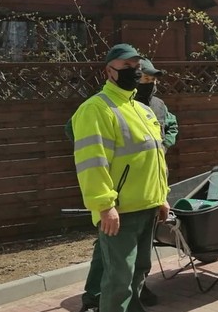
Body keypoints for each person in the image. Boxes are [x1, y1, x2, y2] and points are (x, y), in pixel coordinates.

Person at [71, 44, 170, 312]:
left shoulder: (142, 110)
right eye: (126, 65)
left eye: (136, 65)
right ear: (109, 71)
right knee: (119, 280)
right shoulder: (96, 109)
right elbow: (92, 163)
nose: (133, 70)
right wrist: (105, 206)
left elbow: (155, 158)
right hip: (121, 213)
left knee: (139, 272)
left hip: (148, 207)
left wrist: (162, 197)